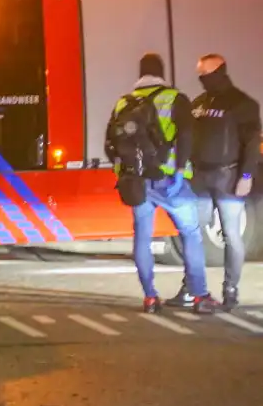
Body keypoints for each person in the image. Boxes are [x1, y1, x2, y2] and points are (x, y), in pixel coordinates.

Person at [104, 53, 217, 314]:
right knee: (190, 234)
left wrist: (125, 173)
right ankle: (199, 295)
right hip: (169, 181)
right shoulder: (174, 98)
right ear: (161, 71)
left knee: (142, 237)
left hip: (137, 182)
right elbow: (187, 136)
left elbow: (110, 145)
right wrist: (179, 170)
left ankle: (150, 297)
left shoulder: (123, 103)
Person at [167, 54, 260, 310]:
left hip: (228, 177)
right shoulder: (199, 103)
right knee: (192, 233)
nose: (203, 80)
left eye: (207, 74)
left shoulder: (243, 104)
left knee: (231, 234)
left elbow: (251, 144)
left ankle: (230, 290)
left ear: (220, 71)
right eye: (200, 75)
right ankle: (191, 288)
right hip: (200, 178)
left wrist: (246, 176)